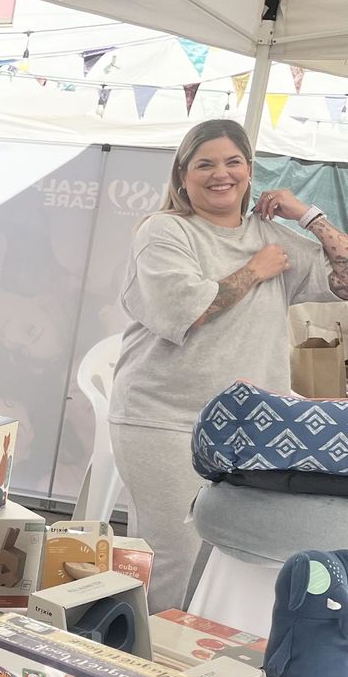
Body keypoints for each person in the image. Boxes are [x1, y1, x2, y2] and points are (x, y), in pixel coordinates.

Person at [109, 118, 348, 611]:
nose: (222, 173)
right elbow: (188, 310)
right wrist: (255, 270)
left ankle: (194, 667)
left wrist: (309, 214)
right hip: (163, 418)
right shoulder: (165, 231)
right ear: (182, 176)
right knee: (173, 555)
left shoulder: (273, 235)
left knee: (225, 560)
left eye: (233, 161)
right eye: (205, 163)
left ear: (249, 170)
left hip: (249, 430)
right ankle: (141, 670)